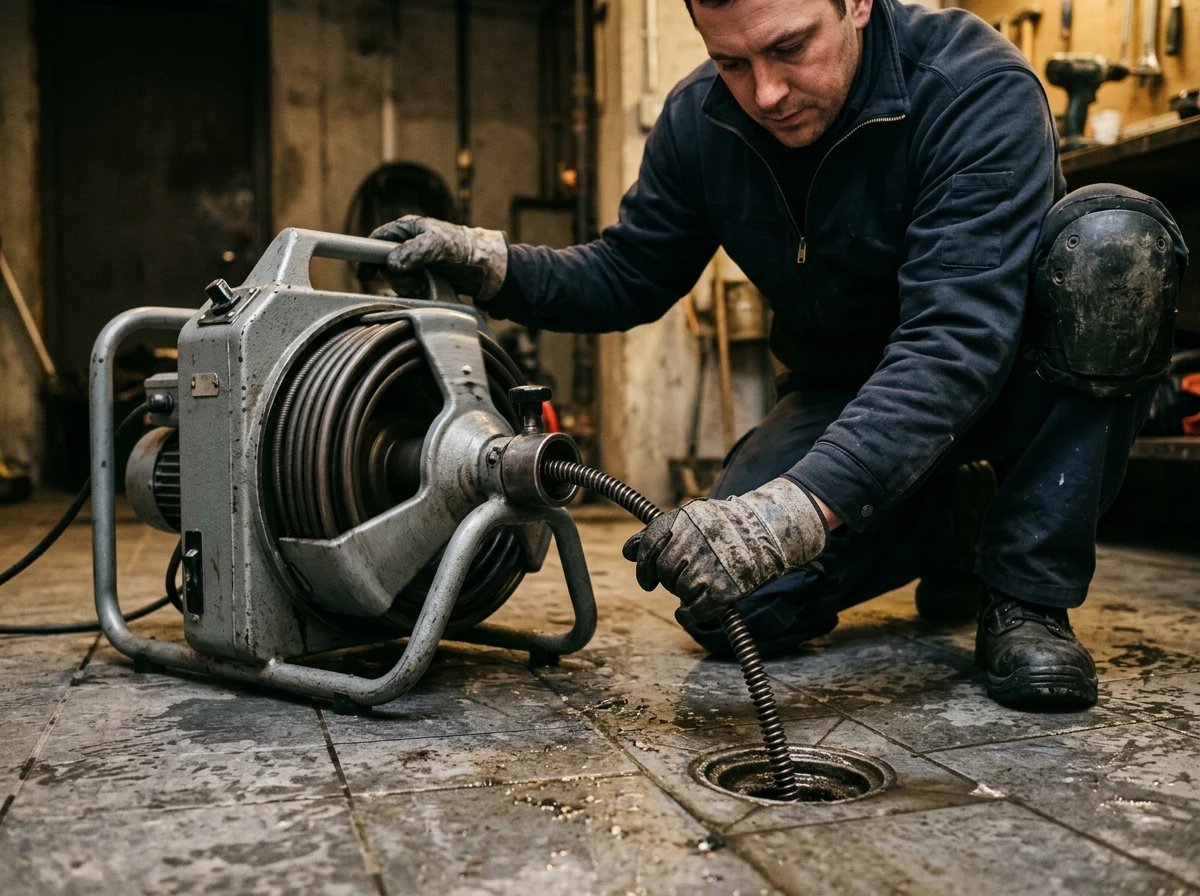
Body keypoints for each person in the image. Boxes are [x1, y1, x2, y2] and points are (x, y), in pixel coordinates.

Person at [358, 0, 1187, 708]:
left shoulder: (973, 89)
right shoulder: (702, 120)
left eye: (791, 48)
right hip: (846, 390)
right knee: (731, 609)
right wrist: (493, 265)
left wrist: (797, 511)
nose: (767, 92)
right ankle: (955, 523)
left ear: (858, 1)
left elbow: (954, 340)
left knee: (1113, 243)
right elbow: (628, 273)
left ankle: (1028, 595)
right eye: (732, 61)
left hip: (1006, 385)